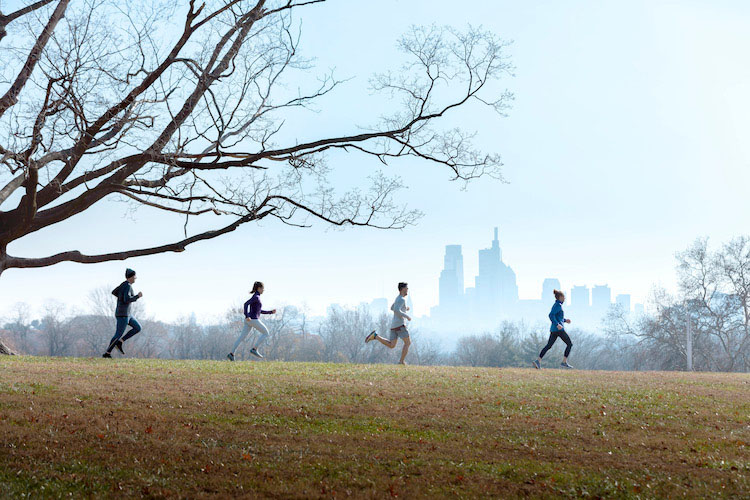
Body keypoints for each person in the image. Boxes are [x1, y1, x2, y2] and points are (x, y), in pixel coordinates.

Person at [227, 281, 276, 360]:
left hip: (249, 320)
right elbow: (246, 304)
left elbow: (259, 311)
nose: (263, 290)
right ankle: (254, 349)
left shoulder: (257, 297)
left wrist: (270, 312)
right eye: (263, 289)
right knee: (266, 333)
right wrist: (246, 316)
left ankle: (231, 354)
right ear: (259, 288)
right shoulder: (256, 297)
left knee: (241, 337)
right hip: (253, 319)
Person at [365, 282, 411, 365]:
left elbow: (392, 307)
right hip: (400, 325)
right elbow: (396, 310)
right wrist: (406, 316)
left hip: (394, 325)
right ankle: (401, 362)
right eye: (406, 288)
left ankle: (376, 336)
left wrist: (405, 308)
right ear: (402, 289)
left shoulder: (398, 298)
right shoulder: (401, 299)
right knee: (408, 343)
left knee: (392, 345)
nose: (407, 289)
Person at [103, 268, 143, 358]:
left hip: (128, 314)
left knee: (138, 328)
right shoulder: (127, 286)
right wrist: (137, 296)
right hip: (123, 315)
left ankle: (120, 342)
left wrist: (120, 297)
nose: (135, 278)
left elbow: (114, 292)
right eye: (134, 276)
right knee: (118, 334)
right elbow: (127, 299)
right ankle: (107, 353)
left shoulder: (124, 284)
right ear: (131, 277)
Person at [533, 289, 573, 369]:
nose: (565, 299)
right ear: (560, 297)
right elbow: (551, 315)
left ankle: (538, 361)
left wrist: (565, 320)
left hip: (554, 330)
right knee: (569, 344)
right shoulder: (557, 305)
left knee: (549, 346)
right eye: (564, 297)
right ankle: (564, 362)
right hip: (559, 330)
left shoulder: (557, 305)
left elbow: (558, 317)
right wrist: (557, 324)